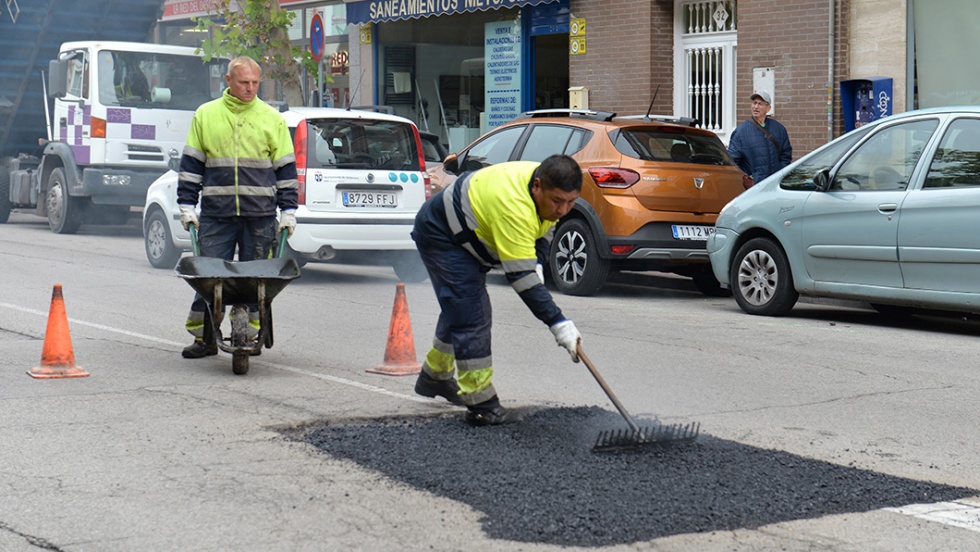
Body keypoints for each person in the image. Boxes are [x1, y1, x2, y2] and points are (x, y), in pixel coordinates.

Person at [411, 155, 584, 426]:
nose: (563, 210)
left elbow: (544, 231)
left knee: (459, 305)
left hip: (471, 235)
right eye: (557, 201)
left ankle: (434, 377)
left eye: (571, 202)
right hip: (442, 234)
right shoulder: (513, 207)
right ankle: (481, 404)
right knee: (472, 313)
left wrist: (537, 258)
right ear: (537, 186)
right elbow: (521, 280)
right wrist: (558, 323)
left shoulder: (547, 195)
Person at [176, 56, 299, 359]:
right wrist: (186, 205)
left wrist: (288, 211)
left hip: (260, 215)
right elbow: (192, 165)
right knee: (208, 278)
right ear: (228, 80)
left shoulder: (272, 118)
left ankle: (251, 334)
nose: (250, 88)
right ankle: (205, 338)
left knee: (256, 280)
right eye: (244, 82)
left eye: (255, 83)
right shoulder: (206, 115)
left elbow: (285, 170)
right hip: (217, 214)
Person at [728, 91, 793, 184]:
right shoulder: (741, 131)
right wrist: (747, 178)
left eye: (760, 104)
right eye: (754, 103)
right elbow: (733, 160)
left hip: (774, 184)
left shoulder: (779, 129)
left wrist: (779, 174)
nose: (756, 107)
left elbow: (786, 155)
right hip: (753, 187)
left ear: (768, 108)